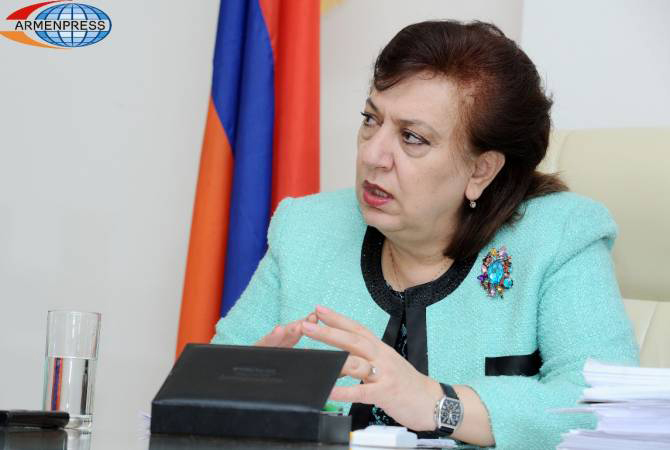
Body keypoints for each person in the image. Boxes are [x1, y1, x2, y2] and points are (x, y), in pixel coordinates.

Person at [211, 20, 638, 448]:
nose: (373, 154)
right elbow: (206, 387)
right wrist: (238, 392)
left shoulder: (558, 236)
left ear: (481, 170)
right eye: (370, 120)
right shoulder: (306, 228)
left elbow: (606, 410)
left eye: (412, 138)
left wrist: (438, 403)